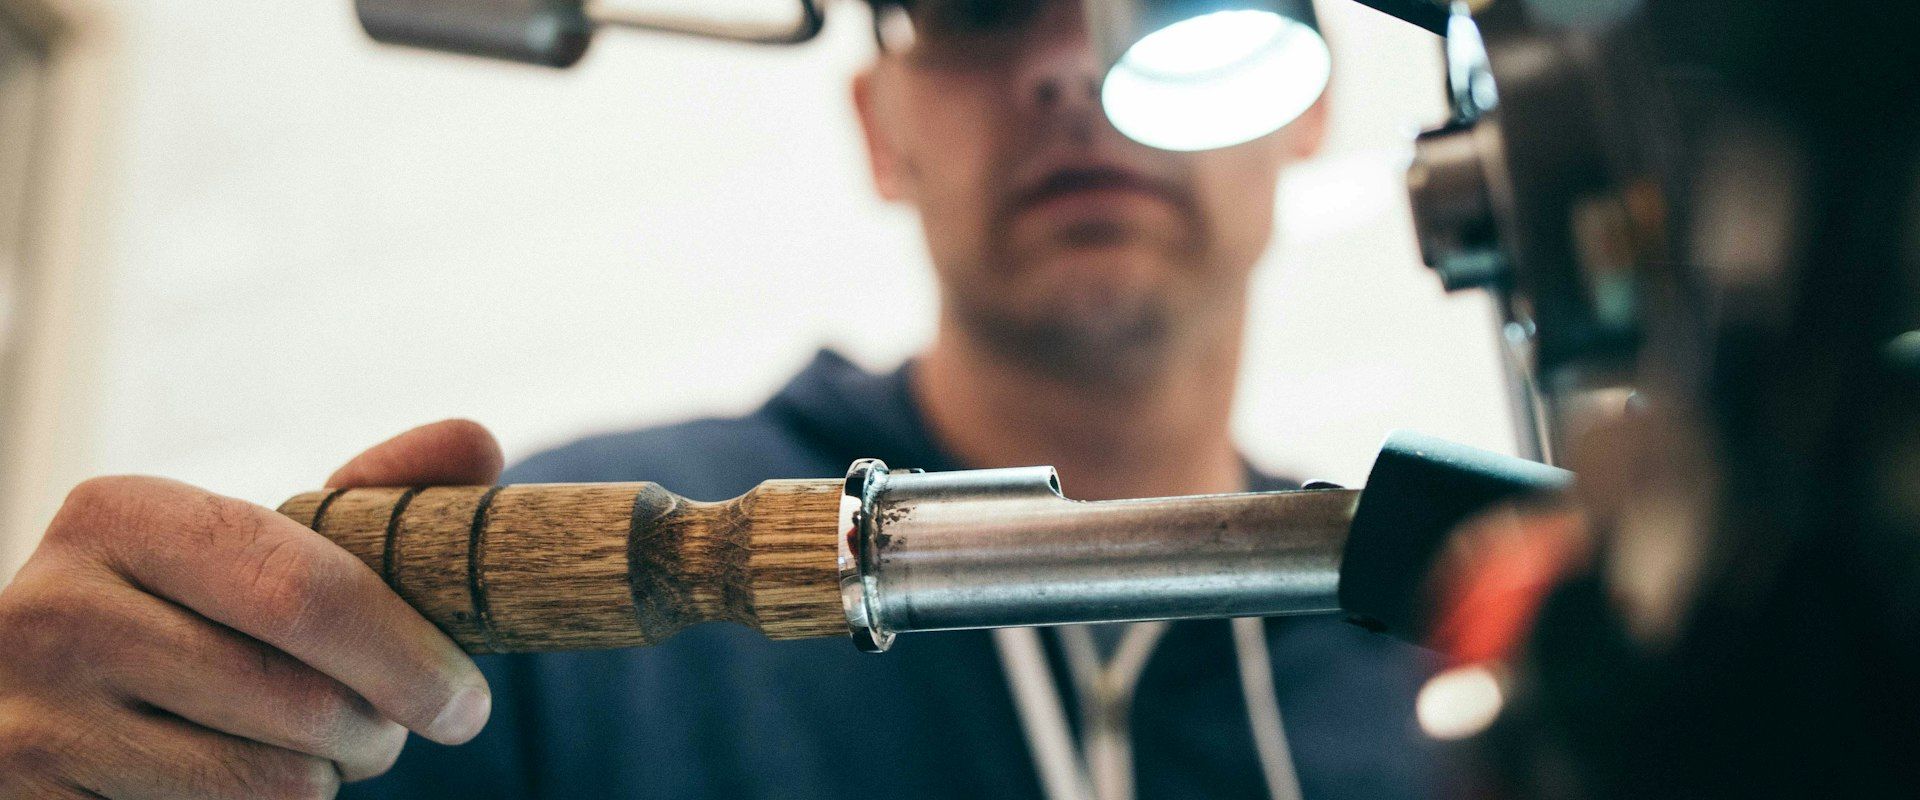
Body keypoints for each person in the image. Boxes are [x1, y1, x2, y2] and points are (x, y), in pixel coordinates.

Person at [0, 0, 1450, 798]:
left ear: (1306, 97)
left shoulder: (1448, 656)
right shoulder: (543, 622)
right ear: (884, 131)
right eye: (980, 7)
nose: (1075, 62)